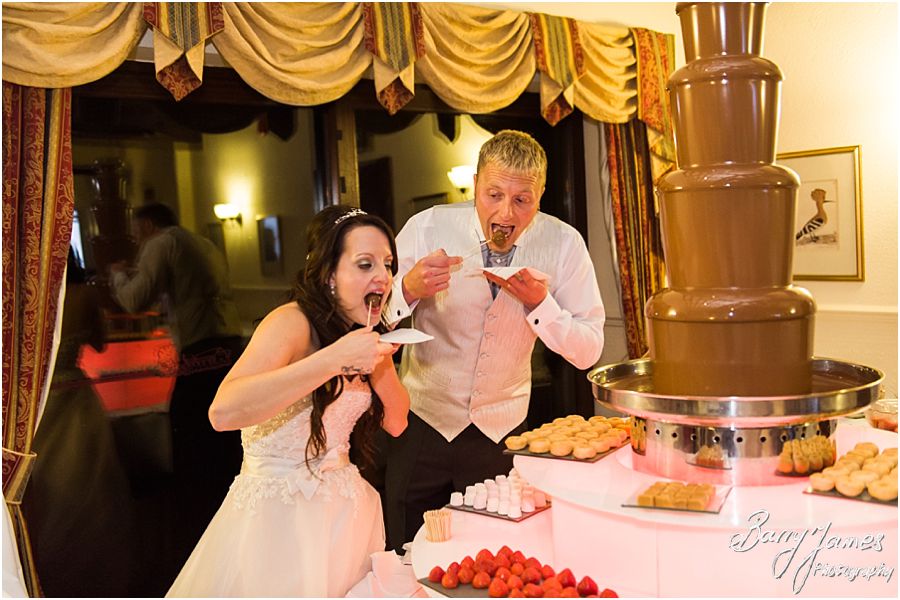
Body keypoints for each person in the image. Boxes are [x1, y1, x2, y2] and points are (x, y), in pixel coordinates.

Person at [166, 205, 409, 597]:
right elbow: (223, 412)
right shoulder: (290, 322)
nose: (383, 276)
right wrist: (333, 360)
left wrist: (381, 362)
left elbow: (397, 422)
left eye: (387, 264)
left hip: (346, 516)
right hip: (277, 519)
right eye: (365, 264)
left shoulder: (362, 331)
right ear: (330, 275)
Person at [382, 130, 605, 550]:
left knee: (492, 554)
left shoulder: (564, 244)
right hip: (422, 425)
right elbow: (371, 324)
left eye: (522, 200)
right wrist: (407, 290)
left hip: (500, 434)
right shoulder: (426, 227)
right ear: (475, 186)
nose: (506, 212)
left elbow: (588, 350)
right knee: (405, 545)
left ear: (540, 195)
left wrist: (543, 306)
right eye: (493, 195)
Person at [108, 202, 244, 574]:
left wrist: (118, 276)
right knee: (224, 441)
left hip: (200, 351)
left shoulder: (161, 243)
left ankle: (194, 542)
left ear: (148, 225)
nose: (136, 241)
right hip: (230, 346)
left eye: (137, 233)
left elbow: (135, 299)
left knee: (190, 441)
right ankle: (225, 522)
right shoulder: (204, 243)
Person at [22, 248, 136, 596]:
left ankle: (45, 568)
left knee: (45, 485)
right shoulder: (84, 294)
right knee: (90, 485)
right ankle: (97, 569)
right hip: (74, 393)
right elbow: (100, 345)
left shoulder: (27, 300)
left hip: (38, 403)